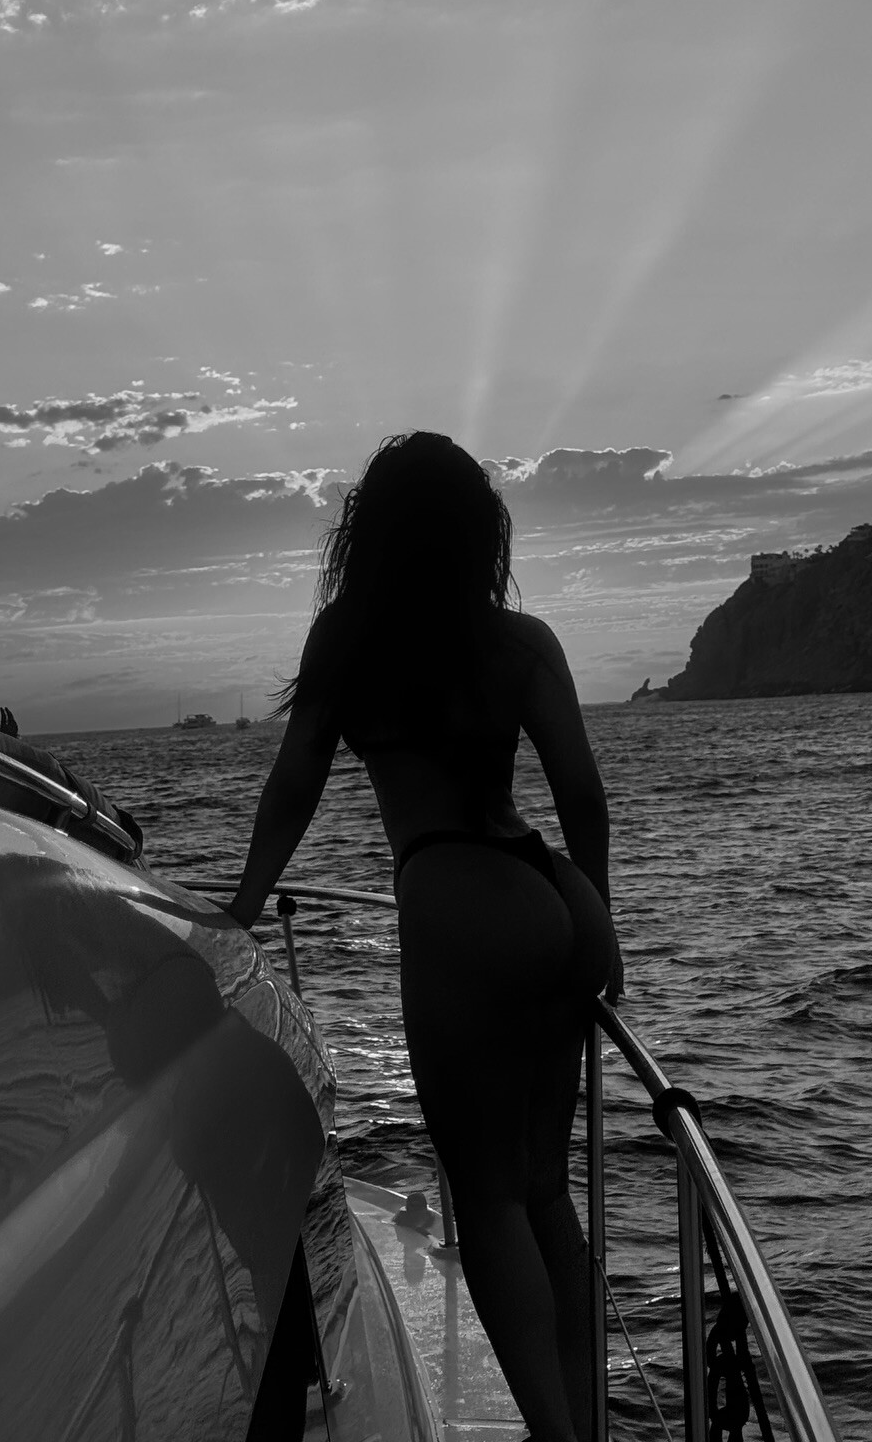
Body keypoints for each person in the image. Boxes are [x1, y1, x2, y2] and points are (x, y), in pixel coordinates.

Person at [227, 431, 623, 1442]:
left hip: (457, 894)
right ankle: (585, 1427)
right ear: (479, 533)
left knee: (488, 1201)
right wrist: (605, 921)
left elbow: (295, 783)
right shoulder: (521, 641)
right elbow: (582, 795)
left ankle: (555, 1439)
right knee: (547, 1193)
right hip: (554, 890)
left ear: (372, 534)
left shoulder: (350, 642)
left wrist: (245, 903)